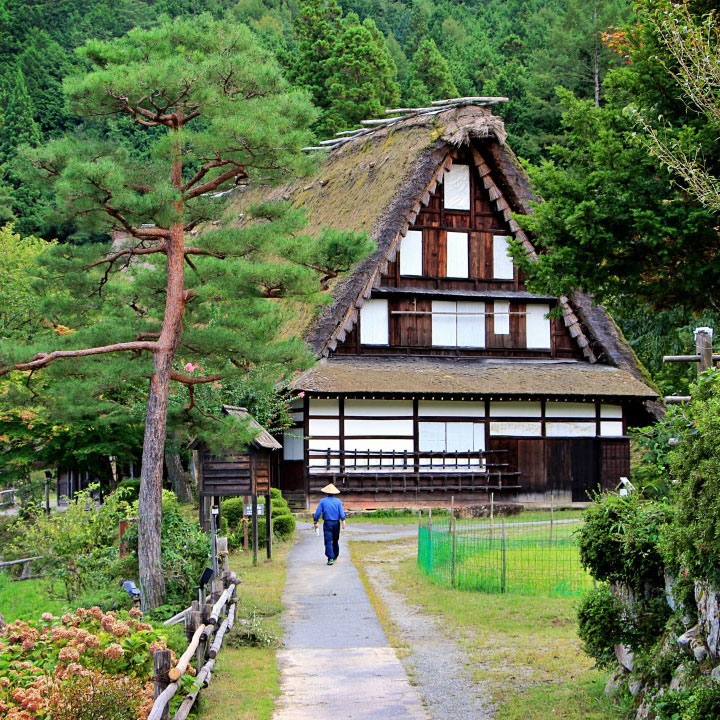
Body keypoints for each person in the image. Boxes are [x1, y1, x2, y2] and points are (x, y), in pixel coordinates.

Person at [313, 483, 346, 565]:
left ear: (326, 493)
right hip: (336, 523)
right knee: (335, 540)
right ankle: (335, 555)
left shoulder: (323, 501)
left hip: (327, 523)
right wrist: (343, 522)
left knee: (328, 540)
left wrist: (315, 521)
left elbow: (317, 513)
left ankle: (330, 557)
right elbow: (341, 513)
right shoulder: (338, 502)